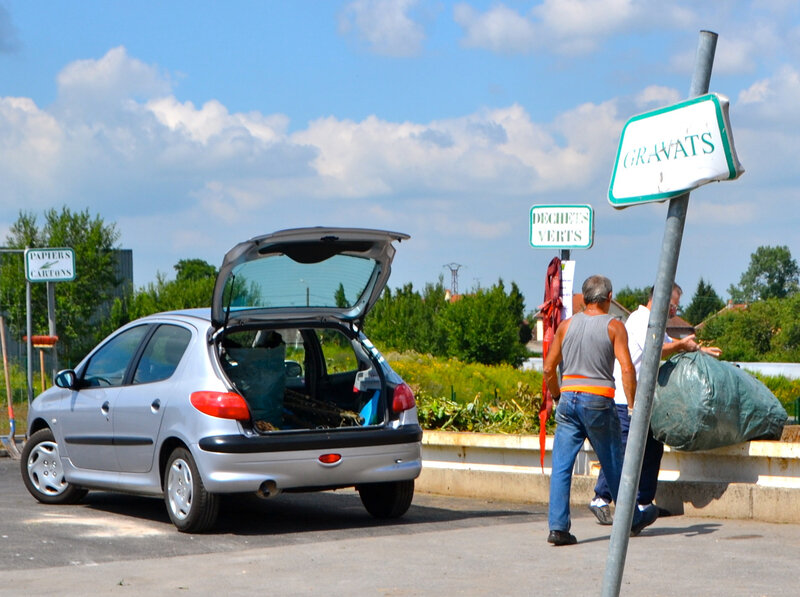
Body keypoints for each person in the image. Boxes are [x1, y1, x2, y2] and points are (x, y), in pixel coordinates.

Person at [589, 283, 722, 525]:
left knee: (652, 449)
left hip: (644, 402)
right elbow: (656, 350)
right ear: (659, 300)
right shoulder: (641, 320)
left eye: (676, 306)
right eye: (673, 305)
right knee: (623, 451)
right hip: (625, 400)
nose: (675, 310)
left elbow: (670, 343)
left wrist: (698, 348)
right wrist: (681, 346)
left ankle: (643, 503)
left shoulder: (655, 324)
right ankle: (600, 498)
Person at [544, 275, 659, 546]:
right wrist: (632, 406)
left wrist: (559, 395)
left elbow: (549, 368)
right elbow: (627, 369)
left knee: (561, 466)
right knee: (614, 461)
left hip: (569, 399)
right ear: (609, 298)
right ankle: (630, 519)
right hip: (598, 401)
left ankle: (558, 528)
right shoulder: (615, 326)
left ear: (584, 299)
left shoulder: (566, 325)